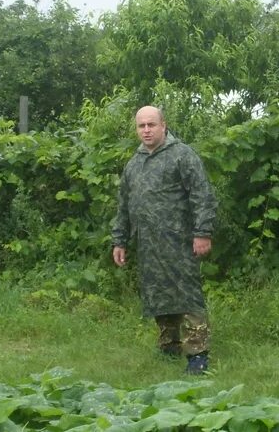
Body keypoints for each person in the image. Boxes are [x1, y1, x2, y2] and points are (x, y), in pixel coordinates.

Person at [111, 106, 217, 374]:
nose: (146, 130)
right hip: (148, 244)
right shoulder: (134, 164)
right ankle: (169, 344)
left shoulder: (182, 155)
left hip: (180, 242)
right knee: (158, 293)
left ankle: (198, 355)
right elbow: (123, 205)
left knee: (187, 295)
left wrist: (202, 233)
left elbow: (202, 195)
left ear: (163, 125)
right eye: (141, 126)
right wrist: (119, 240)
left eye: (151, 125)